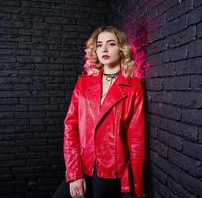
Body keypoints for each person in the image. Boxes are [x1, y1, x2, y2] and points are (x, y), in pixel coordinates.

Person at [52, 25, 146, 198]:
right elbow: (70, 127)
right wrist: (74, 173)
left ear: (122, 49)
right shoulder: (83, 83)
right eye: (99, 44)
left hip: (111, 171)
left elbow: (136, 140)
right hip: (83, 164)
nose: (104, 49)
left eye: (110, 44)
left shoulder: (134, 87)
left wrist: (137, 189)